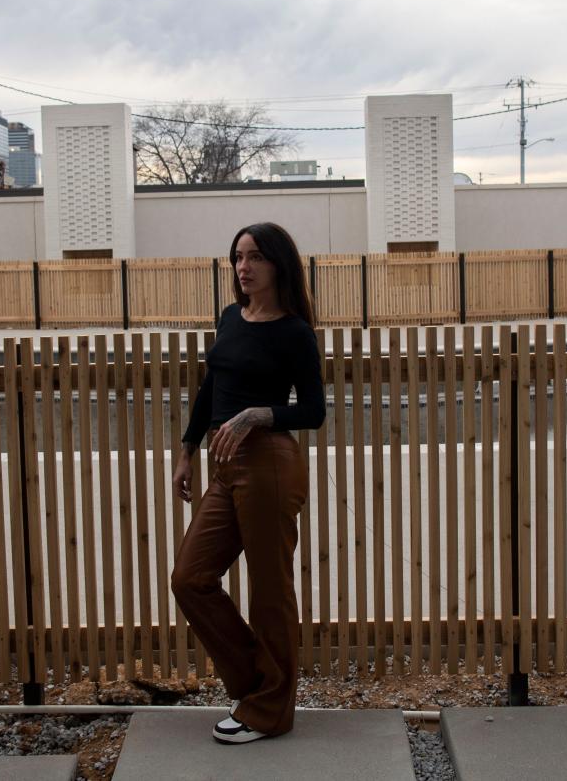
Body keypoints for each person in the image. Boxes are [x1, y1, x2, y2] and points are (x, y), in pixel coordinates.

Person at [170, 222, 325, 744]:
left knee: (270, 591)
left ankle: (270, 711)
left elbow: (314, 411)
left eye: (255, 256)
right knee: (190, 578)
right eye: (238, 257)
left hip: (269, 466)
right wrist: (188, 450)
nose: (243, 266)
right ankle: (257, 685)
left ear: (278, 263)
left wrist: (261, 414)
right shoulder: (231, 318)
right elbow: (213, 382)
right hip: (223, 463)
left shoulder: (294, 332)